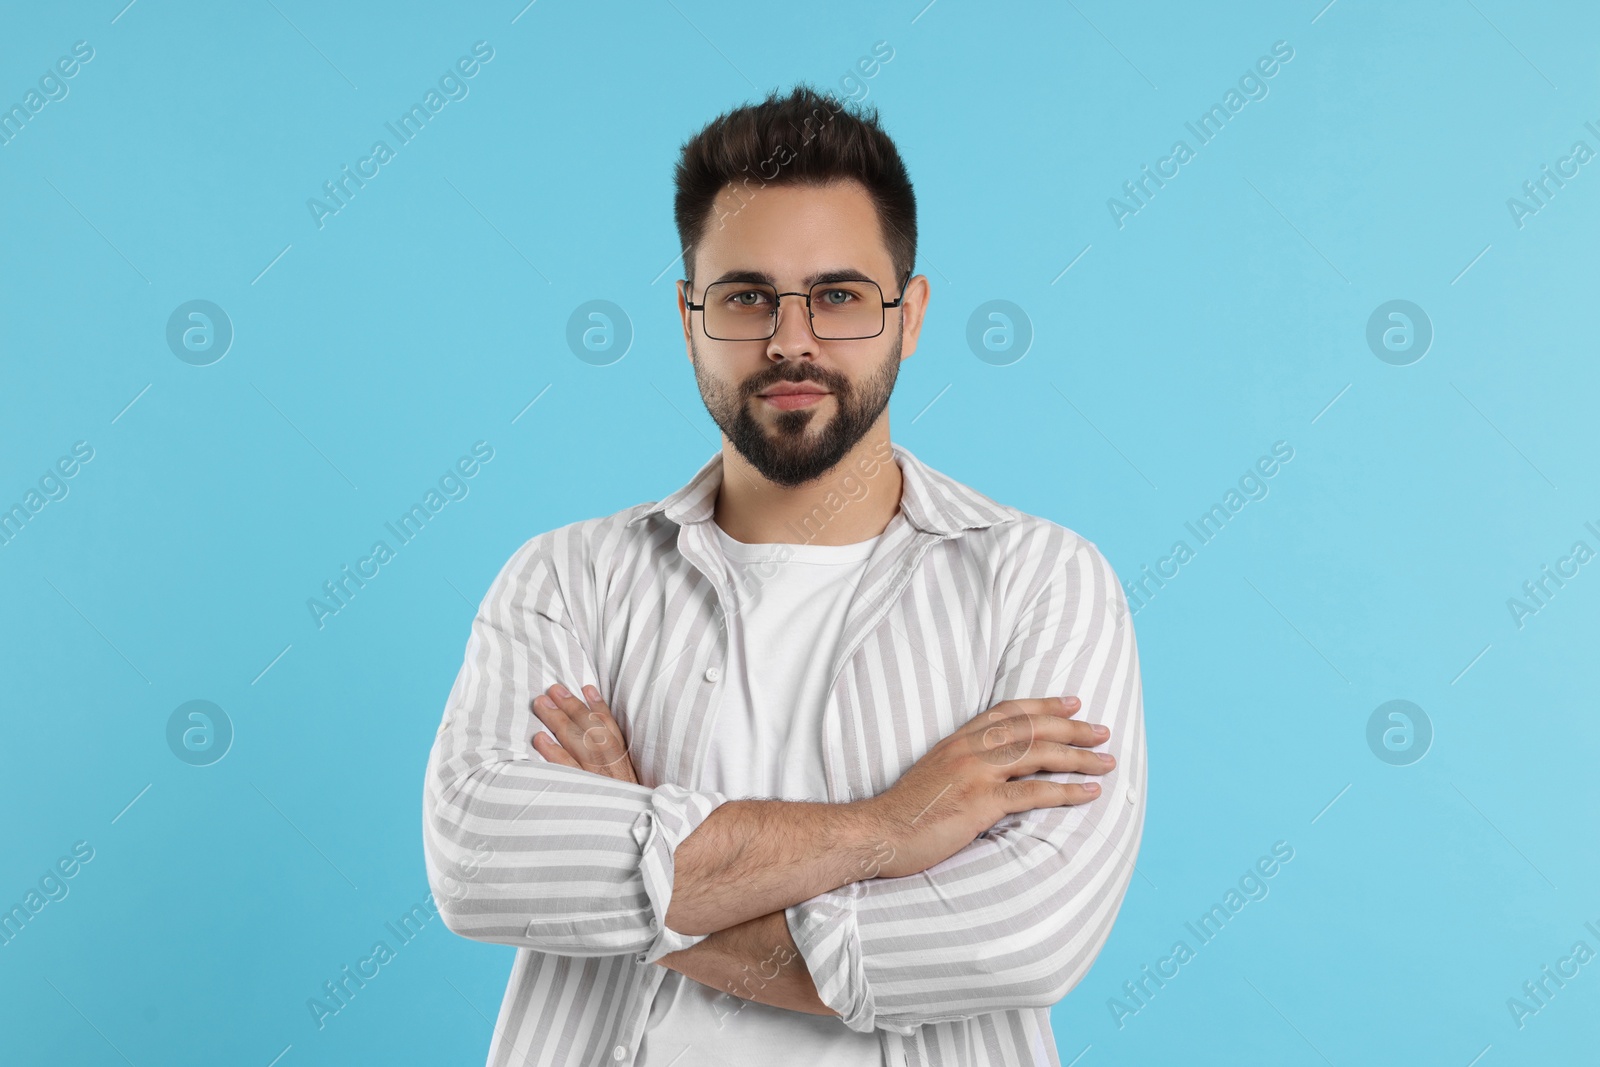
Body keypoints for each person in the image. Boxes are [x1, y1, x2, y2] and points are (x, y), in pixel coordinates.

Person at [422, 83, 1146, 1067]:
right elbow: (480, 861)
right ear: (688, 317)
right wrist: (891, 827)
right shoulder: (563, 580)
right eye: (746, 296)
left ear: (910, 314)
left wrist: (638, 850)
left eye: (839, 295)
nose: (790, 339)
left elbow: (1020, 937)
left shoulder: (1042, 581)